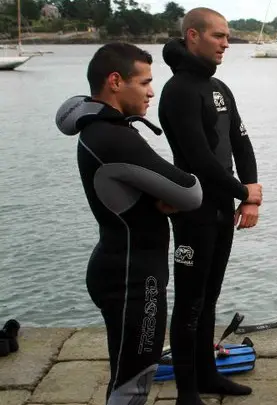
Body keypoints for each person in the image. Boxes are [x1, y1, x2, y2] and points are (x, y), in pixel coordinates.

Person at [54, 42, 204, 405]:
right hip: (134, 281)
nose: (152, 91)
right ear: (116, 81)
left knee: (128, 373)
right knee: (133, 384)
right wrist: (164, 194)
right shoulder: (114, 137)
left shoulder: (101, 128)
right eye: (145, 82)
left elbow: (145, 187)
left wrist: (153, 196)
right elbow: (190, 191)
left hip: (122, 266)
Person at [157, 7, 262, 405]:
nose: (226, 42)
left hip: (221, 209)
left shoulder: (219, 89)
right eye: (218, 35)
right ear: (193, 36)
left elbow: (242, 142)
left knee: (210, 299)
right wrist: (244, 194)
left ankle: (208, 376)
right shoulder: (178, 91)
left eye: (227, 35)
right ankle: (187, 392)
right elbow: (198, 158)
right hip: (193, 212)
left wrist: (250, 189)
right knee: (189, 303)